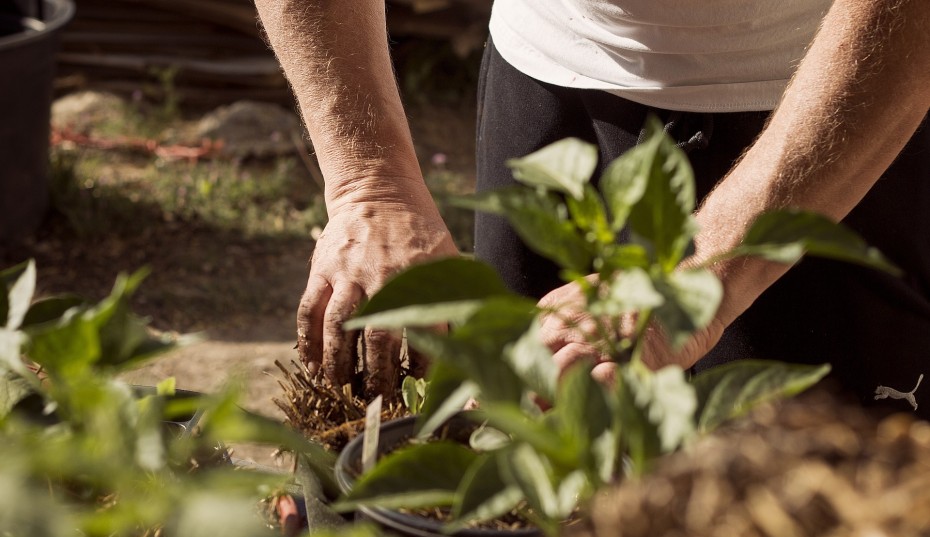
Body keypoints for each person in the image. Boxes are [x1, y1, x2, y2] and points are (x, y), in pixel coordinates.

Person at [254, 0, 930, 415]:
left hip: (831, 110)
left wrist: (702, 269)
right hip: (545, 81)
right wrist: (370, 181)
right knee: (526, 486)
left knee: (797, 514)